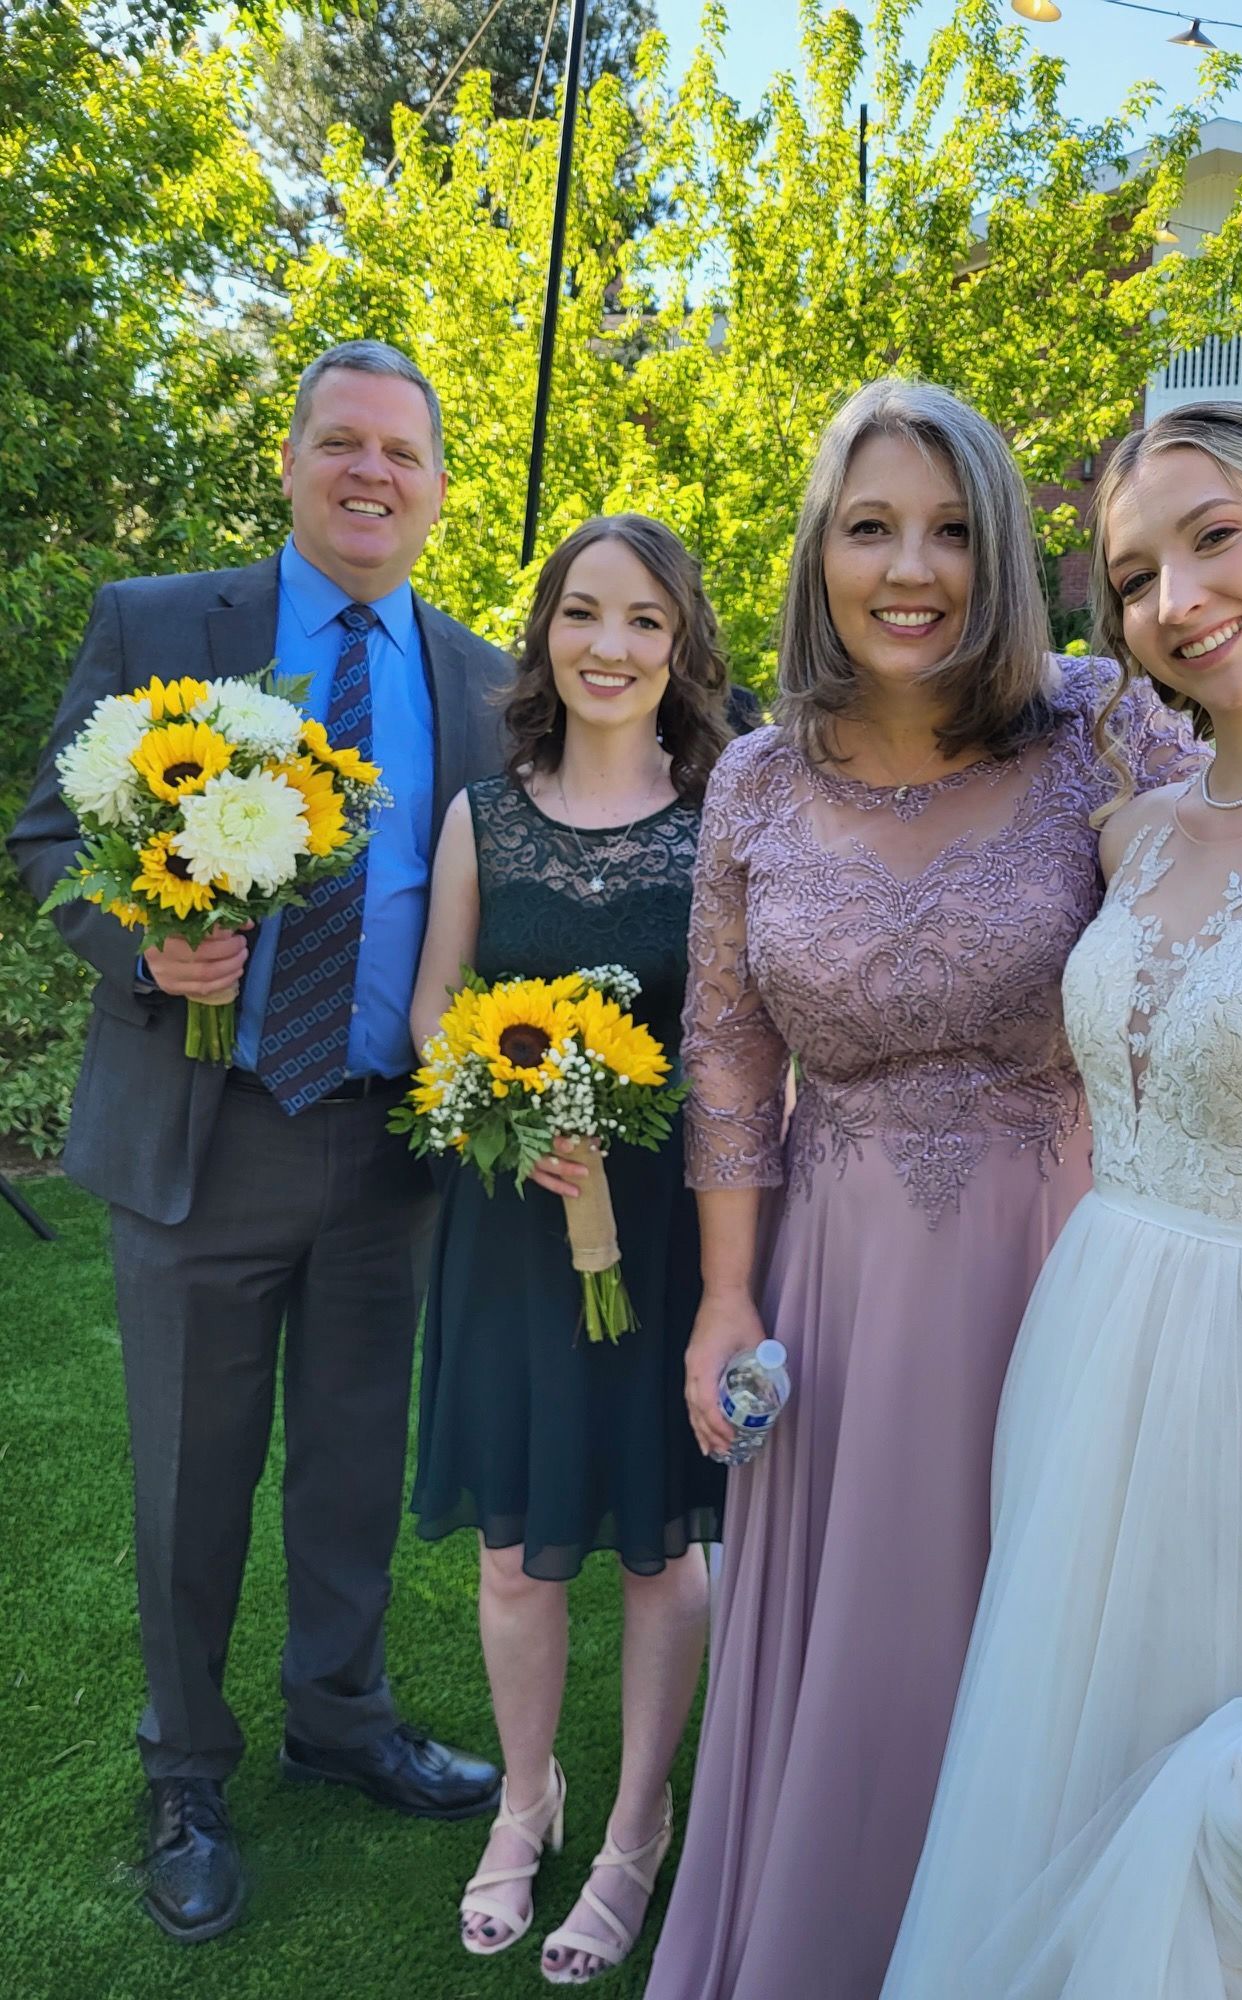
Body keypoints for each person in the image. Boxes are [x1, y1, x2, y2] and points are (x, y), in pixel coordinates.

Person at [642, 378, 1242, 2000]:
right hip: (880, 1273)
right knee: (966, 1675)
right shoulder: (775, 780)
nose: (914, 565)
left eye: (958, 528)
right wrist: (730, 1294)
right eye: (872, 525)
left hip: (1061, 1263)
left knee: (1103, 1692)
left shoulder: (1100, 725)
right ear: (817, 550)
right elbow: (730, 1053)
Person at [7, 340, 509, 1943]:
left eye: (404, 455)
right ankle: (185, 1767)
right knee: (189, 1472)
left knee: (358, 1460)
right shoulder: (167, 626)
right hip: (203, 1131)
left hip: (387, 1149)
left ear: (437, 489)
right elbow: (40, 839)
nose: (374, 475)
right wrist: (133, 943)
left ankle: (341, 1718)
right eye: (344, 445)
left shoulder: (485, 682)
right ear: (291, 461)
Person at [408, 514, 730, 1984]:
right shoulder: (487, 808)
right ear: (543, 631)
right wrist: (500, 1100)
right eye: (584, 615)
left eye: (645, 622)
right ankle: (524, 1805)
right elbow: (432, 1015)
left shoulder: (728, 807)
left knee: (664, 1550)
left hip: (668, 1231)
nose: (611, 647)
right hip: (513, 1228)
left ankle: (634, 1827)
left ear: (683, 648)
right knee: (515, 1554)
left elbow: (747, 1039)